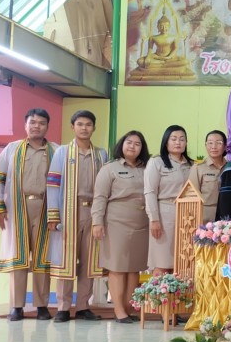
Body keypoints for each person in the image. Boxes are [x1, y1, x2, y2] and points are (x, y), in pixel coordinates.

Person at [0, 108, 57, 321]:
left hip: (46, 208)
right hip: (17, 208)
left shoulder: (56, 151)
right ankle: (16, 306)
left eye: (41, 123)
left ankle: (42, 306)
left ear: (47, 126)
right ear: (25, 125)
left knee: (43, 259)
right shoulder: (12, 149)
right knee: (17, 259)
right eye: (32, 122)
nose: (37, 126)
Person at [46, 110, 108, 323]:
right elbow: (53, 184)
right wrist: (53, 215)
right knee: (66, 260)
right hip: (68, 213)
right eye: (80, 124)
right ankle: (63, 307)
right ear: (72, 127)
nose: (84, 128)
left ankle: (83, 306)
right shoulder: (62, 153)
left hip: (93, 213)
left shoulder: (101, 155)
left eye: (88, 124)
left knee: (90, 262)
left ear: (94, 128)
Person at [92, 131, 150, 324]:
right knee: (117, 267)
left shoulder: (147, 168)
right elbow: (100, 197)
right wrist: (97, 222)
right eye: (129, 142)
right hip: (116, 223)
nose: (132, 146)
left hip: (141, 223)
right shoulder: (110, 168)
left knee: (134, 268)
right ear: (122, 145)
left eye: (137, 144)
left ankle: (128, 307)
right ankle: (118, 310)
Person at [144, 125, 192, 273]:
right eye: (174, 139)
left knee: (184, 262)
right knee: (162, 262)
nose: (178, 142)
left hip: (187, 216)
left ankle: (179, 290)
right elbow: (150, 192)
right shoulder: (157, 162)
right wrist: (154, 219)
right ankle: (160, 289)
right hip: (164, 214)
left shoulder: (191, 165)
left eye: (182, 139)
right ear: (166, 142)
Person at [188, 130, 228, 223]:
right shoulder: (198, 168)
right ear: (205, 145)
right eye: (210, 143)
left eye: (218, 143)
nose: (213, 147)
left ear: (225, 146)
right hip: (205, 217)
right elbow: (192, 196)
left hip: (227, 216)